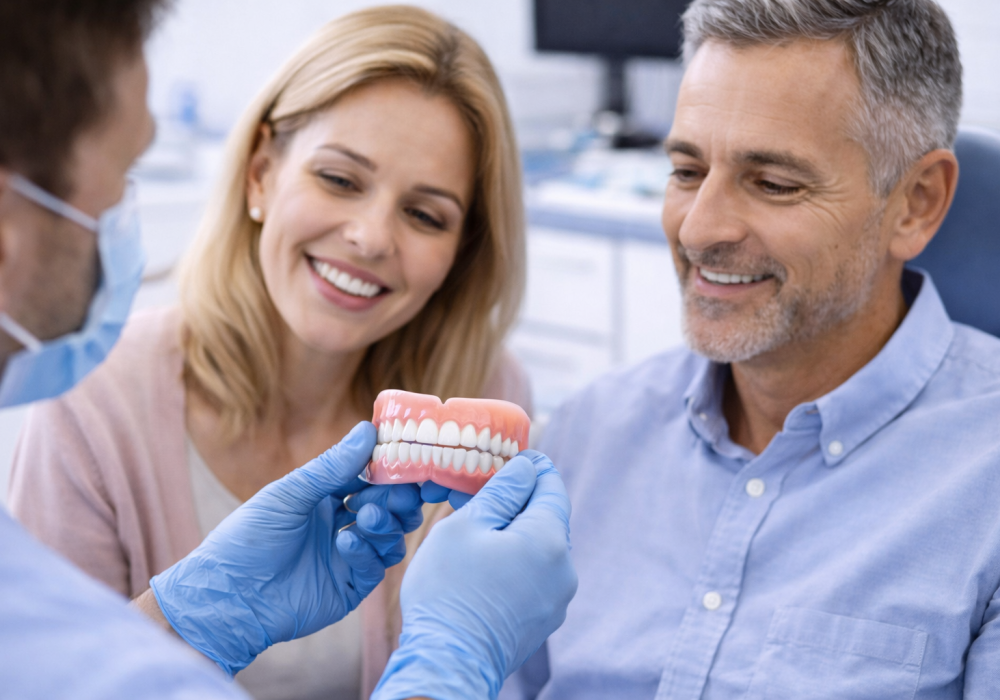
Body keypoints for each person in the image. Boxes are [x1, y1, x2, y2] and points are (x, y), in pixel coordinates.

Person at [0, 2, 576, 699]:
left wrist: (186, 622)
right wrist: (450, 660)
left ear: (463, 251)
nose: (369, 237)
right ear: (260, 172)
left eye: (425, 215)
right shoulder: (96, 407)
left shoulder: (480, 397)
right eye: (339, 179)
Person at [503, 0, 1000, 698]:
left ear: (916, 201)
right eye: (685, 170)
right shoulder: (589, 434)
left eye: (772, 183)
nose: (699, 230)